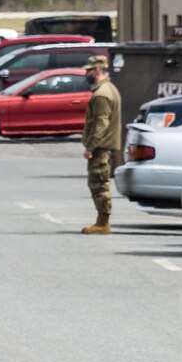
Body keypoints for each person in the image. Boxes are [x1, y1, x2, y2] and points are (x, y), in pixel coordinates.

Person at [81, 55, 123, 235]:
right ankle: (102, 220)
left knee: (99, 183)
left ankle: (103, 222)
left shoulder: (101, 94)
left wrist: (90, 146)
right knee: (100, 182)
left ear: (97, 71)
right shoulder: (109, 88)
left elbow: (101, 123)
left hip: (101, 147)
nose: (87, 74)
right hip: (105, 145)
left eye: (89, 71)